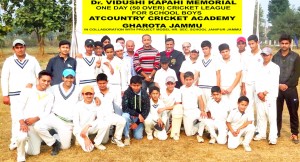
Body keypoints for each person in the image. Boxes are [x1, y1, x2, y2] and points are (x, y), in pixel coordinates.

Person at [1, 39, 41, 150]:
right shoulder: (9, 61)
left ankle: (30, 139)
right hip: (15, 94)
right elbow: (4, 78)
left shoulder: (32, 60)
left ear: (25, 47)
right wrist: (5, 94)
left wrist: (33, 85)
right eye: (17, 47)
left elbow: (39, 75)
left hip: (30, 93)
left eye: (21, 47)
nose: (20, 49)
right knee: (16, 117)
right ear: (13, 49)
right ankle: (14, 140)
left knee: (29, 116)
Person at [34, 69, 81, 155]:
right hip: (54, 117)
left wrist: (96, 98)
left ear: (74, 78)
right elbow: (41, 90)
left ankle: (54, 134)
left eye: (71, 77)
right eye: (67, 77)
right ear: (62, 78)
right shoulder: (54, 88)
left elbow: (84, 101)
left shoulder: (78, 89)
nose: (69, 80)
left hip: (67, 122)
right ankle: (54, 142)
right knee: (38, 126)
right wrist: (31, 87)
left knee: (65, 147)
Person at [16, 70, 54, 161]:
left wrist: (35, 118)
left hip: (36, 124)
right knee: (22, 137)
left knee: (34, 152)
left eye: (48, 81)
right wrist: (22, 123)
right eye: (43, 80)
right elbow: (19, 108)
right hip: (24, 123)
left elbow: (47, 111)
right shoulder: (27, 91)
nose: (46, 83)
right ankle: (20, 156)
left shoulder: (50, 95)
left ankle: (25, 143)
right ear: (38, 79)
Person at [272, 34, 300, 144]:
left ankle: (294, 133)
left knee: (293, 112)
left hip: (291, 89)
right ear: (280, 43)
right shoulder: (275, 57)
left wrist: (287, 85)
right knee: (277, 112)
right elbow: (272, 73)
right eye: (282, 43)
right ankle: (276, 132)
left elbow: (297, 73)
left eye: (286, 43)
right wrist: (278, 84)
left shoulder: (296, 56)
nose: (284, 45)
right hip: (277, 88)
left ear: (290, 44)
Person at [254, 47, 280, 145]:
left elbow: (274, 82)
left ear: (271, 55)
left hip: (270, 95)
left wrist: (265, 93)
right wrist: (259, 93)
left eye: (267, 55)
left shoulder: (275, 67)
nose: (265, 56)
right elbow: (256, 81)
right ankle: (261, 133)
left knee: (271, 116)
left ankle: (273, 137)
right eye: (263, 54)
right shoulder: (259, 66)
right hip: (259, 95)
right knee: (261, 115)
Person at [73, 85, 110, 152]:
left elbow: (100, 118)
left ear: (93, 94)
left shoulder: (97, 103)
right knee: (89, 149)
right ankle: (79, 139)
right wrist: (84, 137)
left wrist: (89, 125)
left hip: (90, 127)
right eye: (86, 94)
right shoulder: (78, 105)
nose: (89, 96)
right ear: (82, 94)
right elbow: (76, 123)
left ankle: (96, 142)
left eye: (91, 94)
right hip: (80, 129)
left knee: (105, 123)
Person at [95, 73, 126, 147]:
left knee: (122, 120)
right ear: (97, 83)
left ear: (107, 82)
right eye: (100, 83)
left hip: (110, 115)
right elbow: (87, 99)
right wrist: (95, 97)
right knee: (104, 141)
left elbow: (118, 104)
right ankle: (97, 142)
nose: (102, 85)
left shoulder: (112, 91)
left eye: (104, 83)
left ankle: (116, 138)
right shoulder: (94, 92)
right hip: (100, 117)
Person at [122, 76, 150, 145]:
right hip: (130, 115)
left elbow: (147, 109)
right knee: (124, 116)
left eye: (138, 85)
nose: (136, 87)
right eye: (134, 85)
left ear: (141, 85)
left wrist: (137, 123)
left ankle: (133, 128)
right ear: (130, 85)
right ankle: (126, 136)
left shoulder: (144, 93)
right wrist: (136, 114)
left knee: (138, 137)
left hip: (138, 118)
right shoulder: (127, 93)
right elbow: (124, 108)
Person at [241, 35, 262, 115]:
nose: (251, 46)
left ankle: (260, 127)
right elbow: (244, 71)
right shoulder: (245, 55)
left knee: (259, 105)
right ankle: (250, 125)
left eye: (253, 43)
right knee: (248, 105)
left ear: (257, 42)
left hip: (259, 84)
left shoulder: (263, 54)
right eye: (249, 44)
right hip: (248, 83)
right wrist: (243, 86)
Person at [180, 72, 205, 137]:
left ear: (193, 79)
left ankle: (200, 134)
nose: (188, 81)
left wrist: (202, 110)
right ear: (184, 80)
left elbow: (200, 100)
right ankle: (197, 125)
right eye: (187, 79)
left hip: (195, 110)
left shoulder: (197, 89)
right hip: (186, 112)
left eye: (190, 79)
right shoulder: (181, 88)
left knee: (204, 119)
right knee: (189, 134)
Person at [197, 40, 221, 106]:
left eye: (206, 49)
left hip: (211, 86)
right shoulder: (199, 59)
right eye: (203, 49)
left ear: (210, 48)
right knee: (203, 106)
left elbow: (218, 74)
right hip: (201, 86)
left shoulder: (215, 58)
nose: (204, 50)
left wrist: (217, 88)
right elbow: (197, 74)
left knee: (212, 105)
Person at [218, 43, 242, 108]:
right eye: (223, 52)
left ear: (229, 50)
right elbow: (218, 76)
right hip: (222, 89)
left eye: (226, 51)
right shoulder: (218, 62)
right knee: (223, 108)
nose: (225, 53)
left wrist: (231, 88)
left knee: (234, 108)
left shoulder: (236, 60)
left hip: (234, 88)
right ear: (220, 53)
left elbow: (239, 75)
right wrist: (220, 88)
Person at [159, 76, 183, 140]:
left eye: (172, 83)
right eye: (168, 84)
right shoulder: (161, 91)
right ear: (166, 84)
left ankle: (175, 133)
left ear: (175, 84)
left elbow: (177, 105)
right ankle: (167, 128)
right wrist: (163, 110)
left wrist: (165, 108)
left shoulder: (178, 91)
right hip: (162, 112)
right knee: (164, 130)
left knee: (178, 108)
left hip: (172, 110)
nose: (170, 85)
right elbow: (158, 103)